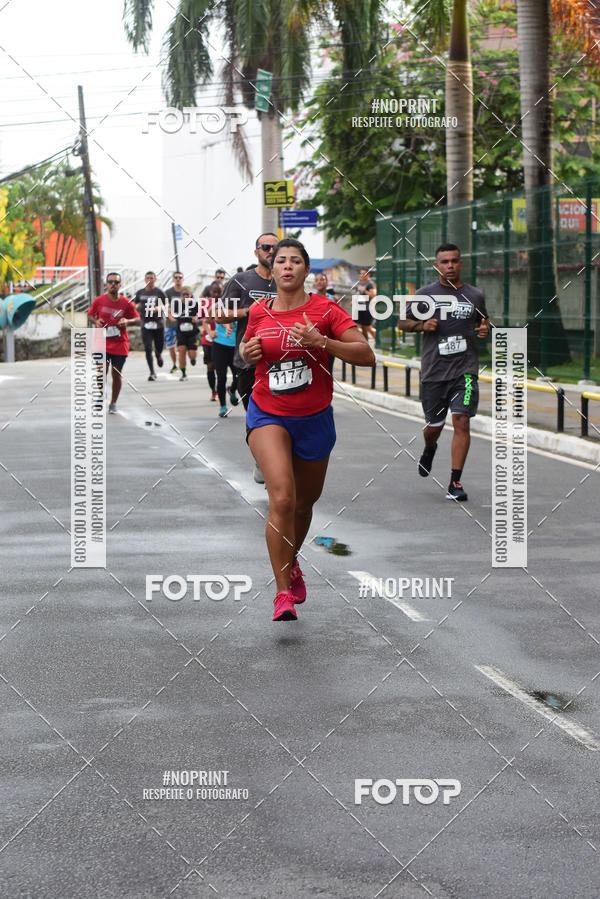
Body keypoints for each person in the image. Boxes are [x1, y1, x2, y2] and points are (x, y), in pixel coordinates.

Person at [239, 238, 374, 621]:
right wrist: (246, 354)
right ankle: (282, 593)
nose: (286, 267)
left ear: (305, 270)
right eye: (280, 260)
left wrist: (323, 342)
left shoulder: (325, 309)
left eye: (295, 261)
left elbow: (366, 354)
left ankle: (292, 560)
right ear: (272, 267)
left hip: (314, 417)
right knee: (281, 499)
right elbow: (247, 353)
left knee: (303, 504)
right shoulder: (258, 312)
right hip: (268, 413)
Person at [396, 242, 489, 502]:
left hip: (465, 370)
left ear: (461, 263)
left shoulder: (475, 295)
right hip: (435, 371)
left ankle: (455, 482)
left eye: (454, 261)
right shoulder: (425, 295)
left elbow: (484, 321)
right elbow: (402, 323)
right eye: (444, 261)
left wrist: (484, 330)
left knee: (462, 420)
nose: (450, 265)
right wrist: (422, 324)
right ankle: (429, 447)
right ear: (437, 265)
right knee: (434, 427)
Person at [215, 233, 278, 479]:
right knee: (255, 417)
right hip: (248, 362)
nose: (271, 251)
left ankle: (277, 463)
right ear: (256, 252)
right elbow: (219, 315)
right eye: (266, 247)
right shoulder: (241, 281)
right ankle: (261, 458)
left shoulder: (286, 281)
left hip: (281, 362)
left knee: (282, 417)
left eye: (275, 247)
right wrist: (248, 311)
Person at [87, 272, 140, 413]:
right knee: (100, 370)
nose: (113, 284)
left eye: (115, 282)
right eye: (110, 282)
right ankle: (100, 396)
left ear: (120, 285)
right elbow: (90, 315)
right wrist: (96, 321)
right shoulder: (99, 301)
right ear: (106, 285)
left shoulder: (126, 303)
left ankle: (113, 403)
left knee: (116, 374)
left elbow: (137, 318)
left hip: (120, 343)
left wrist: (127, 321)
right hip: (101, 341)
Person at [134, 271, 166, 381]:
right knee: (147, 348)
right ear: (144, 279)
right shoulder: (140, 292)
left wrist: (157, 308)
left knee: (159, 346)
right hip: (145, 323)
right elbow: (135, 304)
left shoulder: (159, 292)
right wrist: (137, 308)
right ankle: (152, 372)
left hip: (158, 323)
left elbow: (166, 305)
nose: (149, 280)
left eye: (152, 278)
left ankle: (158, 355)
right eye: (147, 277)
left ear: (155, 280)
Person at [175, 286, 200, 381]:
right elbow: (169, 312)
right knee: (181, 351)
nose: (185, 296)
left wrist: (196, 317)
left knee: (192, 354)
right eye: (184, 294)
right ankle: (183, 373)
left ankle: (193, 359)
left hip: (192, 332)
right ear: (181, 295)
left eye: (187, 294)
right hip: (181, 332)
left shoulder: (195, 304)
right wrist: (170, 316)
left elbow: (200, 313)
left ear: (191, 295)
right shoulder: (177, 304)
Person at [199, 287, 218, 400]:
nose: (216, 294)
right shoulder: (205, 304)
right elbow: (200, 319)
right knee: (210, 367)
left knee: (223, 368)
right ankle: (214, 391)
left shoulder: (229, 302)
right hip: (208, 340)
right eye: (214, 291)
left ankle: (231, 389)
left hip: (225, 340)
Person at [165, 271, 184, 373]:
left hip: (183, 324)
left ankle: (182, 366)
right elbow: (165, 306)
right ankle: (174, 364)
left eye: (180, 277)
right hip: (170, 323)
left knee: (181, 346)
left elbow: (192, 305)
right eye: (176, 277)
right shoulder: (168, 292)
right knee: (171, 346)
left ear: (183, 279)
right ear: (173, 279)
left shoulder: (186, 292)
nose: (178, 279)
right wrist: (171, 316)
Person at [354, 267, 376, 340]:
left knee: (366, 328)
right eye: (361, 274)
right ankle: (364, 344)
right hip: (359, 308)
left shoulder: (370, 284)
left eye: (364, 274)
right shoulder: (360, 283)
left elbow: (373, 295)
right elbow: (360, 295)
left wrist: (363, 290)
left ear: (368, 275)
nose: (362, 275)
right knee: (356, 327)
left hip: (367, 309)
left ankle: (377, 341)